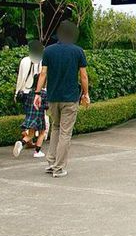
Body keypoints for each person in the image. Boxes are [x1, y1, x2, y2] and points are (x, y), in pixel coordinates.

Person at [32, 21, 89, 178]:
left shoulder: (49, 51)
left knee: (56, 128)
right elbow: (83, 75)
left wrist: (37, 94)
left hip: (53, 97)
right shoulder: (78, 51)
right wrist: (86, 94)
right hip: (70, 98)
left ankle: (51, 163)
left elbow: (43, 74)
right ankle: (59, 168)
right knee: (65, 133)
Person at [14, 40, 47, 158]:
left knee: (29, 117)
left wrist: (17, 92)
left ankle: (28, 139)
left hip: (25, 93)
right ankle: (35, 144)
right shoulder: (42, 61)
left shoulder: (24, 60)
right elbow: (42, 77)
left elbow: (20, 77)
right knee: (40, 119)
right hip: (37, 93)